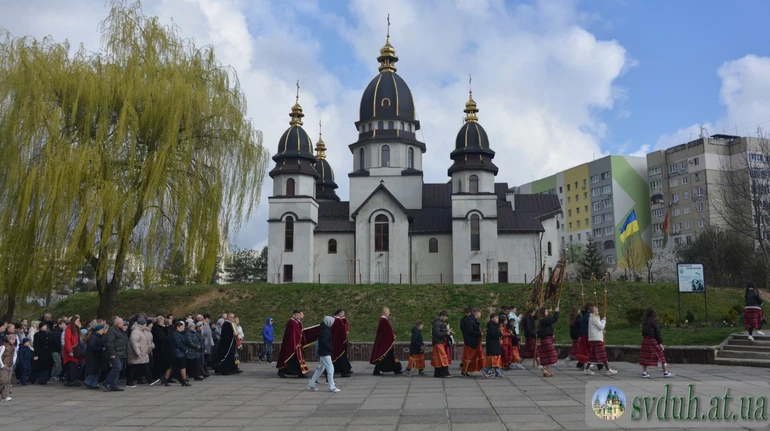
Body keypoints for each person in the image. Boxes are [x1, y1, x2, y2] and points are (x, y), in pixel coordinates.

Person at [307, 316, 340, 393]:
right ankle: (332, 387)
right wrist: (330, 349)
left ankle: (311, 384)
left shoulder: (323, 329)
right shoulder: (326, 331)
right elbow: (325, 342)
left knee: (320, 368)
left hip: (323, 352)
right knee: (330, 369)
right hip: (325, 352)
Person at [640, 306, 675, 378]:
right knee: (660, 355)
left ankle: (644, 372)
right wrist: (660, 343)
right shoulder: (654, 321)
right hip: (652, 340)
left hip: (645, 340)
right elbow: (657, 332)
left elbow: (643, 332)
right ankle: (666, 371)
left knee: (645, 356)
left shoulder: (644, 321)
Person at [370, 307, 403, 375]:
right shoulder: (384, 320)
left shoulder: (383, 320)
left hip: (386, 342)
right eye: (388, 311)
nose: (389, 312)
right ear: (385, 312)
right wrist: (392, 340)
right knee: (384, 357)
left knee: (390, 356)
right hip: (386, 343)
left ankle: (396, 369)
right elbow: (388, 332)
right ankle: (377, 370)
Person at [277, 311, 310, 378]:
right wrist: (296, 343)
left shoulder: (296, 322)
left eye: (299, 315)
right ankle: (283, 371)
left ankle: (300, 373)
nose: (298, 316)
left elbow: (300, 330)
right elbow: (295, 334)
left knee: (296, 360)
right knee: (291, 359)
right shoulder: (291, 322)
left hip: (296, 344)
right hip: (293, 344)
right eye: (297, 315)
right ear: (294, 315)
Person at [586, 305, 617, 376]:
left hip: (594, 338)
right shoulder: (594, 318)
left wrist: (602, 330)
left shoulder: (593, 318)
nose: (598, 312)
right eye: (597, 311)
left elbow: (597, 328)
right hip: (596, 339)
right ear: (594, 312)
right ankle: (608, 369)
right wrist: (604, 320)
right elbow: (601, 326)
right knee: (602, 354)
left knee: (592, 355)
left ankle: (587, 369)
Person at [104, 317, 128, 391]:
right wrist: (112, 353)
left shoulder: (121, 330)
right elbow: (110, 343)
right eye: (121, 322)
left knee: (118, 369)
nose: (123, 324)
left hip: (122, 352)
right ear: (118, 324)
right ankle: (107, 382)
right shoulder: (112, 330)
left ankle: (113, 385)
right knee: (117, 368)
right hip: (116, 352)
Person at [537, 306, 560, 378]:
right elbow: (554, 319)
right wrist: (556, 312)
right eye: (546, 311)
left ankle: (546, 372)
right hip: (546, 340)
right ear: (543, 313)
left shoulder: (542, 320)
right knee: (553, 354)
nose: (547, 312)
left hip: (545, 339)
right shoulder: (544, 320)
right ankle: (543, 368)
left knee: (546, 356)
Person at [461, 308, 485, 377]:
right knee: (468, 357)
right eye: (480, 313)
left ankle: (468, 370)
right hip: (471, 342)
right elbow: (469, 331)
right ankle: (464, 371)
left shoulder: (473, 320)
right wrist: (479, 333)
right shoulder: (471, 320)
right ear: (476, 313)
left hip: (474, 342)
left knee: (473, 356)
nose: (481, 315)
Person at [329, 309, 352, 377]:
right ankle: (343, 372)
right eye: (342, 313)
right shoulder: (338, 321)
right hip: (339, 342)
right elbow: (341, 333)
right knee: (341, 357)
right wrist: (344, 340)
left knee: (339, 357)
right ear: (339, 313)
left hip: (336, 341)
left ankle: (341, 370)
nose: (343, 315)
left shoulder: (336, 320)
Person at [431, 312, 453, 378]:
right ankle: (445, 373)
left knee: (438, 359)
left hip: (439, 342)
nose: (446, 318)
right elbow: (437, 333)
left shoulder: (438, 323)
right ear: (442, 316)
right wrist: (446, 333)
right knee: (443, 357)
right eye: (446, 316)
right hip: (439, 342)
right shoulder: (437, 323)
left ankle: (438, 373)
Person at [84, 325, 107, 389]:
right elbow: (92, 347)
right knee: (94, 370)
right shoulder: (93, 337)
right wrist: (101, 349)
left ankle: (93, 383)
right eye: (102, 330)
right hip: (93, 356)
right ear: (98, 330)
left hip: (97, 356)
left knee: (96, 370)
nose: (103, 331)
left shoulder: (98, 336)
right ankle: (88, 381)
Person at [63, 315, 83, 387]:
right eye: (77, 321)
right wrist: (70, 351)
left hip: (74, 349)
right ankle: (72, 380)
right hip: (71, 350)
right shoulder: (69, 329)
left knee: (72, 365)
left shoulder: (75, 329)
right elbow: (67, 341)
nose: (79, 322)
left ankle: (68, 380)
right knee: (73, 364)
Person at [483, 314, 504, 378]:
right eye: (496, 318)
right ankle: (486, 369)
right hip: (492, 345)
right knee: (494, 359)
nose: (497, 319)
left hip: (495, 344)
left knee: (497, 358)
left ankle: (498, 372)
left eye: (498, 318)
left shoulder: (495, 325)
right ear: (492, 319)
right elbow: (493, 334)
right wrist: (500, 333)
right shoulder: (491, 326)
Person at [171, 321, 191, 386]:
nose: (184, 327)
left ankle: (165, 378)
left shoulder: (179, 334)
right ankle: (184, 380)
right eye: (182, 326)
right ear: (178, 327)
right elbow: (178, 344)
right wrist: (185, 349)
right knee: (183, 367)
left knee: (174, 367)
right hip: (178, 352)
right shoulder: (175, 334)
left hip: (179, 352)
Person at [576, 302, 593, 370]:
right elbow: (592, 323)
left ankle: (582, 363)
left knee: (585, 349)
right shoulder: (588, 316)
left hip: (585, 334)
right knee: (588, 349)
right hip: (587, 334)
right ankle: (587, 363)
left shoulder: (586, 315)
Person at [0, 334, 17, 401]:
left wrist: (13, 362)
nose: (13, 341)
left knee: (8, 381)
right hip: (4, 365)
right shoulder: (4, 346)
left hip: (10, 365)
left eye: (14, 340)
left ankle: (5, 395)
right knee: (3, 380)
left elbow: (15, 355)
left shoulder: (13, 347)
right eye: (12, 339)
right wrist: (1, 364)